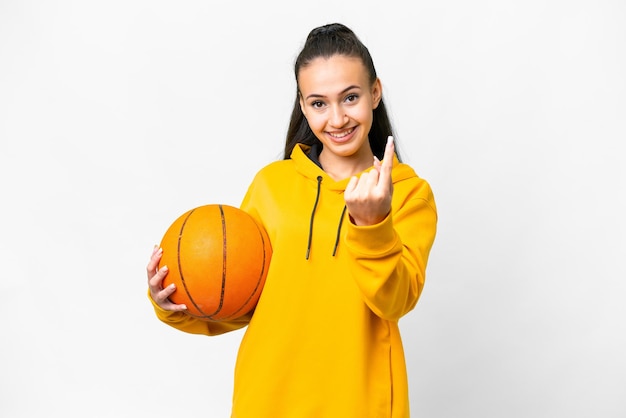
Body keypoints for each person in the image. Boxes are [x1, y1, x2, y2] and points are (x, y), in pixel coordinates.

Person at [147, 22, 437, 418]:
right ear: (302, 105)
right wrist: (173, 300)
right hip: (266, 402)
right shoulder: (272, 184)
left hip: (360, 404)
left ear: (374, 92)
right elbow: (239, 297)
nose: (336, 119)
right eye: (318, 103)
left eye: (350, 97)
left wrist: (372, 225)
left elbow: (396, 300)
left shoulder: (406, 192)